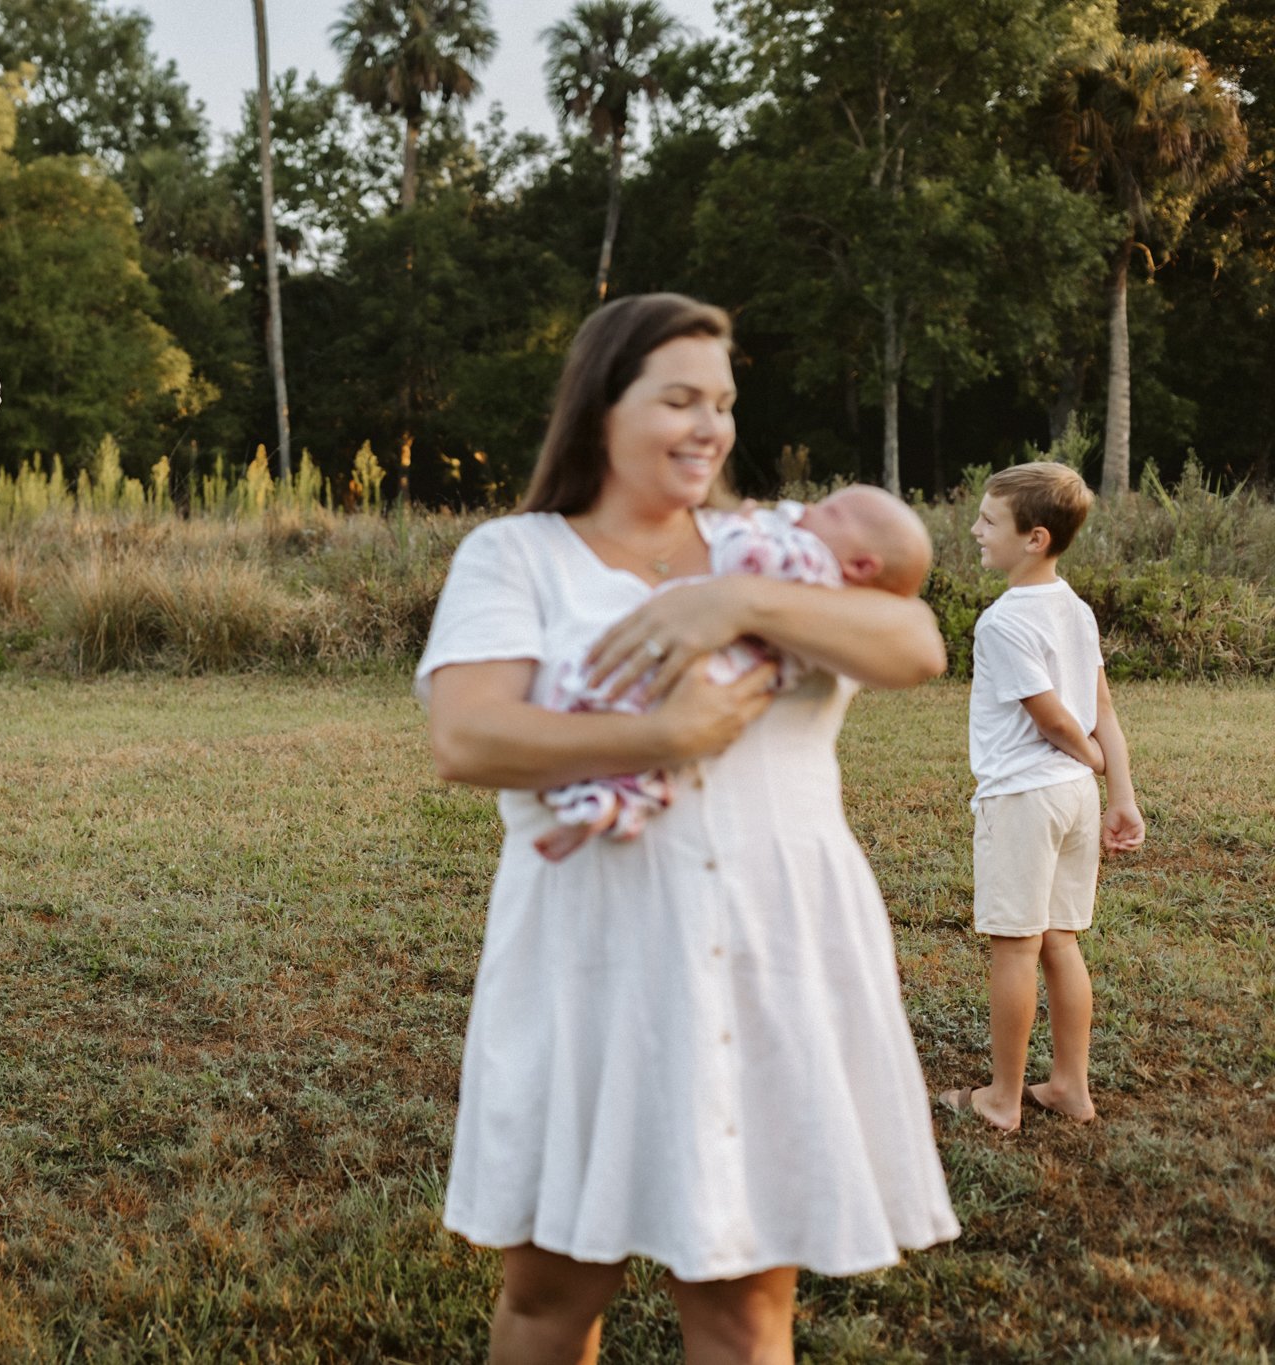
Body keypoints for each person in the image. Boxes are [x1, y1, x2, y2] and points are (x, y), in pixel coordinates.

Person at [417, 294, 958, 1364]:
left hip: (770, 949)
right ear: (600, 408)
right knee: (548, 1294)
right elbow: (467, 738)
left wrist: (732, 603)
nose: (708, 426)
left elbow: (914, 644)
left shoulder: (775, 546)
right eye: (677, 399)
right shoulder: (517, 554)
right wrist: (664, 731)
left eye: (721, 402)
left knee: (743, 1305)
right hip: (592, 953)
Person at [535, 485, 934, 858]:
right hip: (729, 681)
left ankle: (592, 793)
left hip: (712, 670)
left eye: (832, 512)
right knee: (638, 759)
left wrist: (741, 525)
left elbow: (744, 560)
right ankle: (603, 807)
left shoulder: (809, 563)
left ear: (861, 563)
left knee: (608, 691)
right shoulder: (833, 602)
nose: (807, 507)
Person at [939, 462, 1145, 1130]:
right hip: (1076, 799)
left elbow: (1058, 718)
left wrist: (1084, 755)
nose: (974, 529)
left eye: (988, 520)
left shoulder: (1002, 623)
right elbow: (1103, 708)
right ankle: (1069, 1087)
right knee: (1061, 939)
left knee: (1015, 945)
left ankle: (1001, 1098)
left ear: (1034, 537)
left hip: (1025, 799)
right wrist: (1120, 792)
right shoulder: (1076, 608)